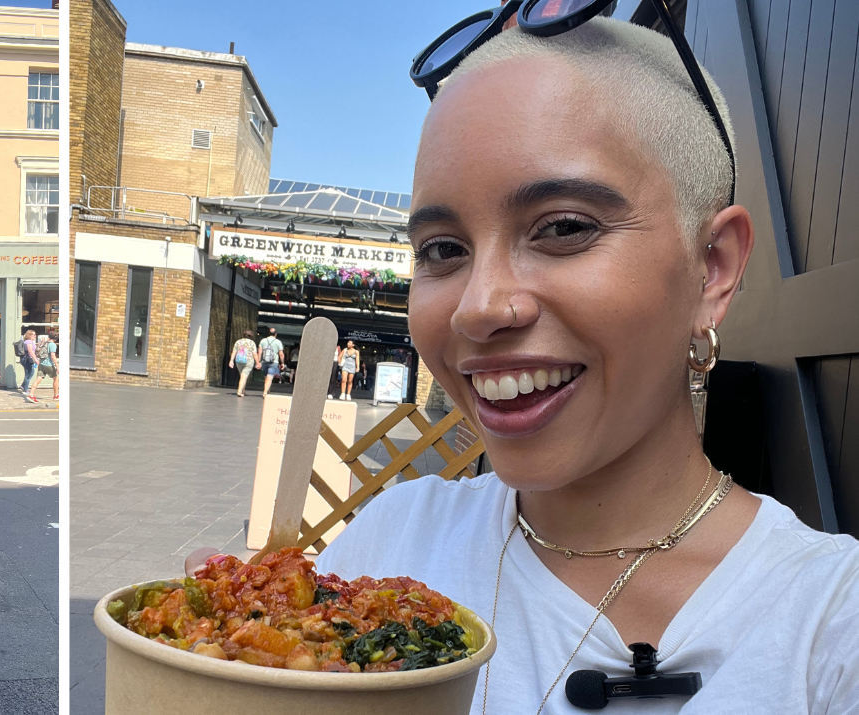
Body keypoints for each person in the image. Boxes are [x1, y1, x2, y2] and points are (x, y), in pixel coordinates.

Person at [193, 14, 859, 713]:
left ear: (713, 268)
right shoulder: (390, 542)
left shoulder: (829, 629)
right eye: (442, 249)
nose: (479, 307)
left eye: (564, 228)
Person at [256, 327, 284, 398]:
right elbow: (281, 354)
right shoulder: (278, 342)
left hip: (264, 362)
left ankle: (267, 390)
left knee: (266, 376)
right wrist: (282, 363)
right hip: (273, 362)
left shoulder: (263, 341)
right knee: (270, 376)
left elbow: (259, 352)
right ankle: (265, 392)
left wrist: (258, 362)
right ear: (275, 334)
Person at [228, 330, 257, 398]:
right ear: (251, 336)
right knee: (244, 376)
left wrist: (231, 361)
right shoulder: (252, 343)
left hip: (238, 361)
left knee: (242, 376)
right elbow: (254, 354)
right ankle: (239, 391)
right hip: (248, 361)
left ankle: (243, 390)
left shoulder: (238, 342)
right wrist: (258, 362)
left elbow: (234, 352)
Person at [19, 330, 39, 395]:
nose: (35, 336)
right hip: (27, 360)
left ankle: (23, 386)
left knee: (31, 373)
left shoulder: (30, 342)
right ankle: (26, 389)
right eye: (34, 335)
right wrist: (36, 360)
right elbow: (30, 351)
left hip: (28, 359)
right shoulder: (28, 342)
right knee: (28, 374)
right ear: (30, 335)